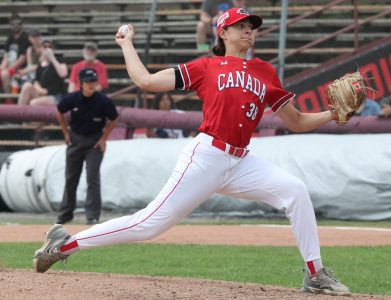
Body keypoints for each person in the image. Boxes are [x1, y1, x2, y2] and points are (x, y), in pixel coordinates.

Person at [33, 8, 351, 296]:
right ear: (222, 33)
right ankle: (65, 244)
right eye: (241, 25)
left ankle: (315, 274)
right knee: (150, 224)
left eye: (252, 26)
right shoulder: (206, 66)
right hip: (206, 156)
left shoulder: (265, 72)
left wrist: (331, 115)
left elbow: (295, 121)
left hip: (241, 161)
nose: (249, 30)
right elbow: (145, 81)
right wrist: (126, 44)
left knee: (295, 191)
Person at [53, 67, 118, 225]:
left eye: (94, 81)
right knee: (71, 178)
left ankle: (93, 216)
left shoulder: (103, 101)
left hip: (94, 143)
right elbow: (59, 111)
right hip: (75, 140)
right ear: (80, 83)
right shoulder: (72, 98)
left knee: (92, 178)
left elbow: (114, 118)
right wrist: (65, 132)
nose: (91, 84)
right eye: (88, 82)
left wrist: (103, 139)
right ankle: (65, 214)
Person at [17, 38, 68, 106]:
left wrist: (52, 58)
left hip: (56, 96)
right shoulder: (40, 65)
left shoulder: (59, 60)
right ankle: (19, 113)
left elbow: (63, 74)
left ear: (53, 49)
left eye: (50, 47)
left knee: (34, 103)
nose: (47, 49)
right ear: (41, 49)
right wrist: (40, 89)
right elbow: (36, 81)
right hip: (44, 94)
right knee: (26, 86)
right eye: (45, 47)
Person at [0, 14, 30, 95]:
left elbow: (23, 58)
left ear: (21, 24)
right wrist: (2, 67)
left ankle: (9, 99)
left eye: (18, 24)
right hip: (10, 66)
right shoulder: (10, 38)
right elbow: (6, 56)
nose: (15, 26)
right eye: (13, 24)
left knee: (4, 74)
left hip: (20, 68)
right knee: (2, 71)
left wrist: (8, 69)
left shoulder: (25, 38)